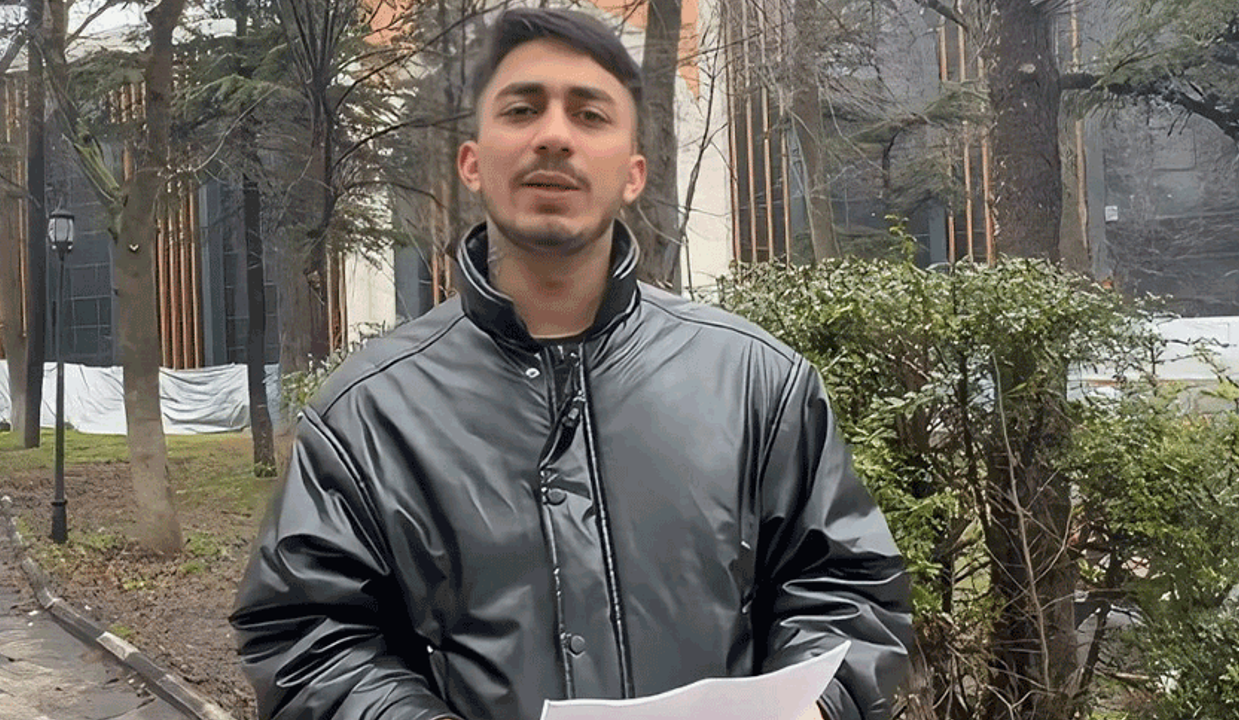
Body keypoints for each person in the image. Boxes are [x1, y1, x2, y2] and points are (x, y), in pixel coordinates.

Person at [230, 8, 912, 720]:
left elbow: (848, 589)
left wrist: (815, 707)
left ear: (634, 173)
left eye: (589, 114)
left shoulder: (757, 385)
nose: (554, 135)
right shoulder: (368, 414)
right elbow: (309, 637)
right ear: (471, 163)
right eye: (522, 109)